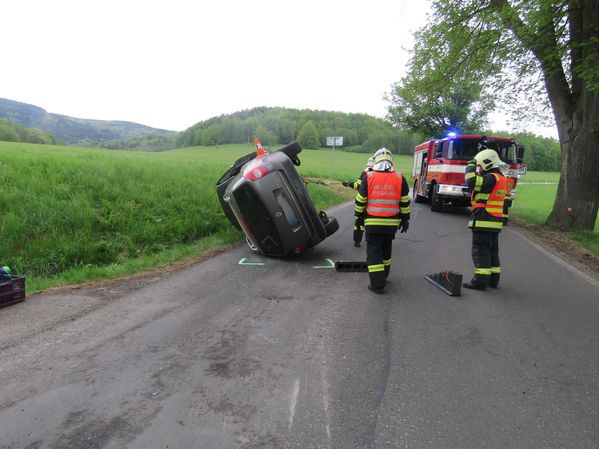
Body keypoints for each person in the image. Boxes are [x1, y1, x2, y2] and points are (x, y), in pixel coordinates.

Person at [354, 148, 410, 294]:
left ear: (376, 160)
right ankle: (384, 276)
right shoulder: (400, 178)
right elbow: (404, 202)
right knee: (386, 250)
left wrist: (358, 217)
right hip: (391, 224)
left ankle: (377, 285)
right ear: (391, 161)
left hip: (373, 223)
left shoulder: (369, 176)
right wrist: (405, 220)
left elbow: (361, 200)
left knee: (374, 253)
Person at [463, 145, 509, 290]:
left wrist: (470, 166)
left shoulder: (490, 178)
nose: (480, 169)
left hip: (484, 219)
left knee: (480, 250)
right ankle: (493, 280)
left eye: (480, 166)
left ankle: (480, 281)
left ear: (487, 164)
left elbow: (471, 183)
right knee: (492, 252)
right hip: (494, 222)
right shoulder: (501, 178)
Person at [343, 156, 375, 246]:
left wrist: (348, 183)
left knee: (359, 222)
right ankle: (370, 241)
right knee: (371, 222)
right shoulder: (379, 175)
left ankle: (357, 241)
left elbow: (357, 186)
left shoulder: (365, 173)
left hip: (362, 203)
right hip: (374, 203)